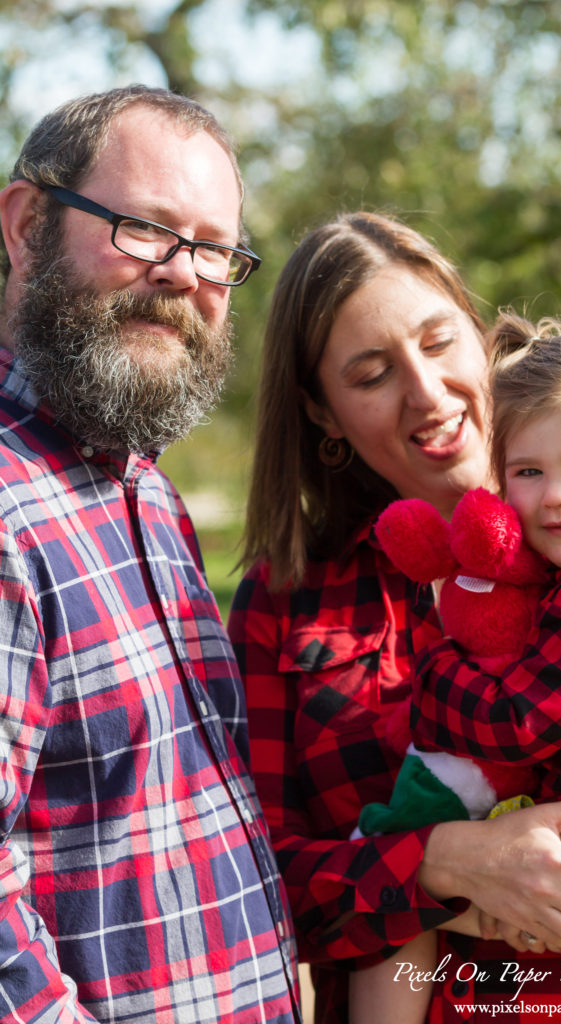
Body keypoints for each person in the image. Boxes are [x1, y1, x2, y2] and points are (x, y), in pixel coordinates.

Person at [228, 210, 561, 1024]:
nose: (426, 394)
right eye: (370, 375)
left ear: (476, 334)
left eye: (438, 343)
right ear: (322, 413)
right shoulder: (290, 599)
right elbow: (240, 878)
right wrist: (442, 866)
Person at [0, 85, 299, 1024]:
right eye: (144, 229)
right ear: (26, 225)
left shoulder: (144, 491)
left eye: (214, 248)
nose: (184, 274)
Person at [351, 311, 561, 1023]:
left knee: (398, 866)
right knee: (424, 878)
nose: (554, 494)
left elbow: (512, 724)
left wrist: (434, 672)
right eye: (528, 472)